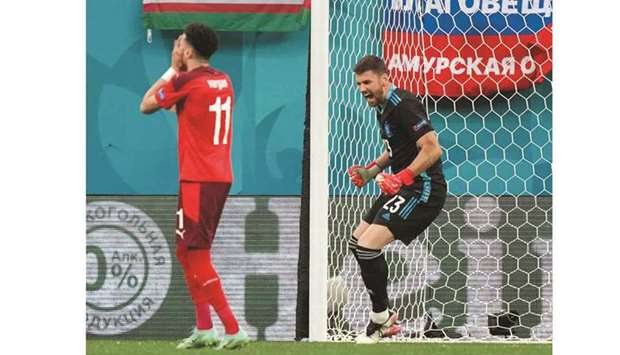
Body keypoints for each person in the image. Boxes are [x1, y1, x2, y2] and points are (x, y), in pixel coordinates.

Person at [140, 22, 249, 350]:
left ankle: (232, 328)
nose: (177, 47)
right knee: (185, 250)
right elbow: (181, 107)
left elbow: (146, 104)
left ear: (187, 50)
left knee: (196, 253)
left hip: (197, 179)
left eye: (179, 44)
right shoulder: (223, 80)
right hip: (218, 176)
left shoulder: (186, 79)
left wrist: (172, 69)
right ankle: (204, 328)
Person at [346, 55, 447, 344]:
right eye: (359, 84)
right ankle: (384, 317)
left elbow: (432, 150)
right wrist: (372, 170)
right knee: (357, 242)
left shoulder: (405, 105)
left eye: (367, 82)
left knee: (367, 247)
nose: (362, 88)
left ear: (384, 79)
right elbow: (396, 148)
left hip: (423, 190)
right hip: (404, 186)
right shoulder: (383, 106)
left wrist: (401, 177)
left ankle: (381, 320)